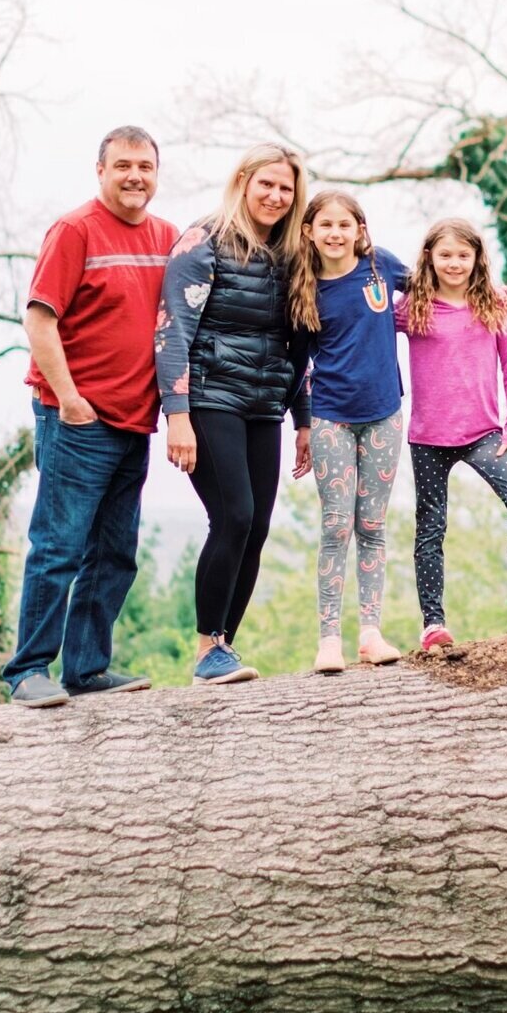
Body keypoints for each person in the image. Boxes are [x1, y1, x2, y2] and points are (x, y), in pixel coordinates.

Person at [3, 126, 177, 709]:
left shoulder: (167, 238)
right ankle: (28, 670)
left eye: (146, 166)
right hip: (78, 418)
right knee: (59, 547)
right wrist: (70, 398)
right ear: (100, 170)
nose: (135, 176)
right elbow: (39, 319)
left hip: (135, 420)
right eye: (123, 165)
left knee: (115, 552)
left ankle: (85, 668)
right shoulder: (74, 231)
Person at [154, 143, 314, 685]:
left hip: (265, 403)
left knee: (259, 526)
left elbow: (299, 344)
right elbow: (173, 329)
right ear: (243, 181)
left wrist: (304, 420)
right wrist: (177, 415)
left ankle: (225, 645)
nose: (275, 195)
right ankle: (205, 650)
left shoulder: (294, 254)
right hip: (209, 397)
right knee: (234, 516)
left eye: (285, 188)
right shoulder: (206, 241)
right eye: (266, 183)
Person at [397, 217, 507, 649]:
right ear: (430, 258)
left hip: (485, 433)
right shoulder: (413, 307)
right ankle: (433, 624)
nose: (454, 263)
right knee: (431, 528)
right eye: (445, 255)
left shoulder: (493, 306)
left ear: (477, 259)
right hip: (428, 437)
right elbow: (368, 329)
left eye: (463, 255)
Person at [295, 190, 411, 675]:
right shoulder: (304, 289)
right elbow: (296, 363)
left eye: (346, 224)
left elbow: (436, 287)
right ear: (310, 232)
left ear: (360, 229)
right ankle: (328, 640)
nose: (336, 233)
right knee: (336, 525)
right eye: (326, 225)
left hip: (384, 413)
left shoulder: (381, 266)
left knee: (372, 526)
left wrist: (491, 294)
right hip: (331, 417)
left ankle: (370, 632)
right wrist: (301, 424)